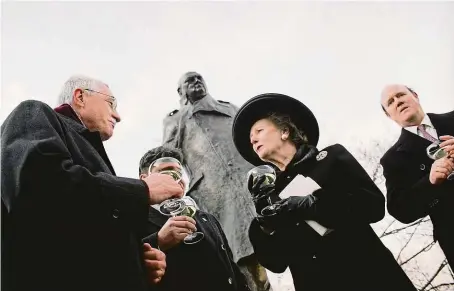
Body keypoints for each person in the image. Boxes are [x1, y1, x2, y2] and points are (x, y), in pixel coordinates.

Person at [1, 75, 183, 291]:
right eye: (111, 103)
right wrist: (141, 190)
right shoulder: (33, 112)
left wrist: (139, 260)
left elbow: (83, 229)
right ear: (80, 97)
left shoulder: (93, 156)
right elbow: (39, 187)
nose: (118, 115)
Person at [231, 93, 417, 291]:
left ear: (284, 131)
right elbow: (276, 263)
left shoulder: (330, 159)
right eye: (251, 139)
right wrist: (264, 228)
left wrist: (311, 204)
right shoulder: (270, 197)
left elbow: (373, 206)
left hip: (370, 275)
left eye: (258, 131)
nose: (253, 140)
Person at [162, 71, 270, 291]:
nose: (196, 82)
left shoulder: (229, 108)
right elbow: (168, 157)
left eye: (199, 78)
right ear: (180, 91)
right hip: (214, 194)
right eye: (189, 80)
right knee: (239, 253)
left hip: (249, 182)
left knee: (279, 237)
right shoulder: (176, 119)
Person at [138, 145, 251, 291]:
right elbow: (121, 266)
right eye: (165, 172)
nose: (176, 178)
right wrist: (158, 241)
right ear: (145, 179)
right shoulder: (132, 218)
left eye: (178, 172)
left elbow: (230, 267)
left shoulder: (207, 218)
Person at [379, 84, 454, 267]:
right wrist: (429, 182)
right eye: (390, 102)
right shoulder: (393, 159)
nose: (398, 102)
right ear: (389, 115)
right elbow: (399, 209)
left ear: (415, 95)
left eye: (400, 95)